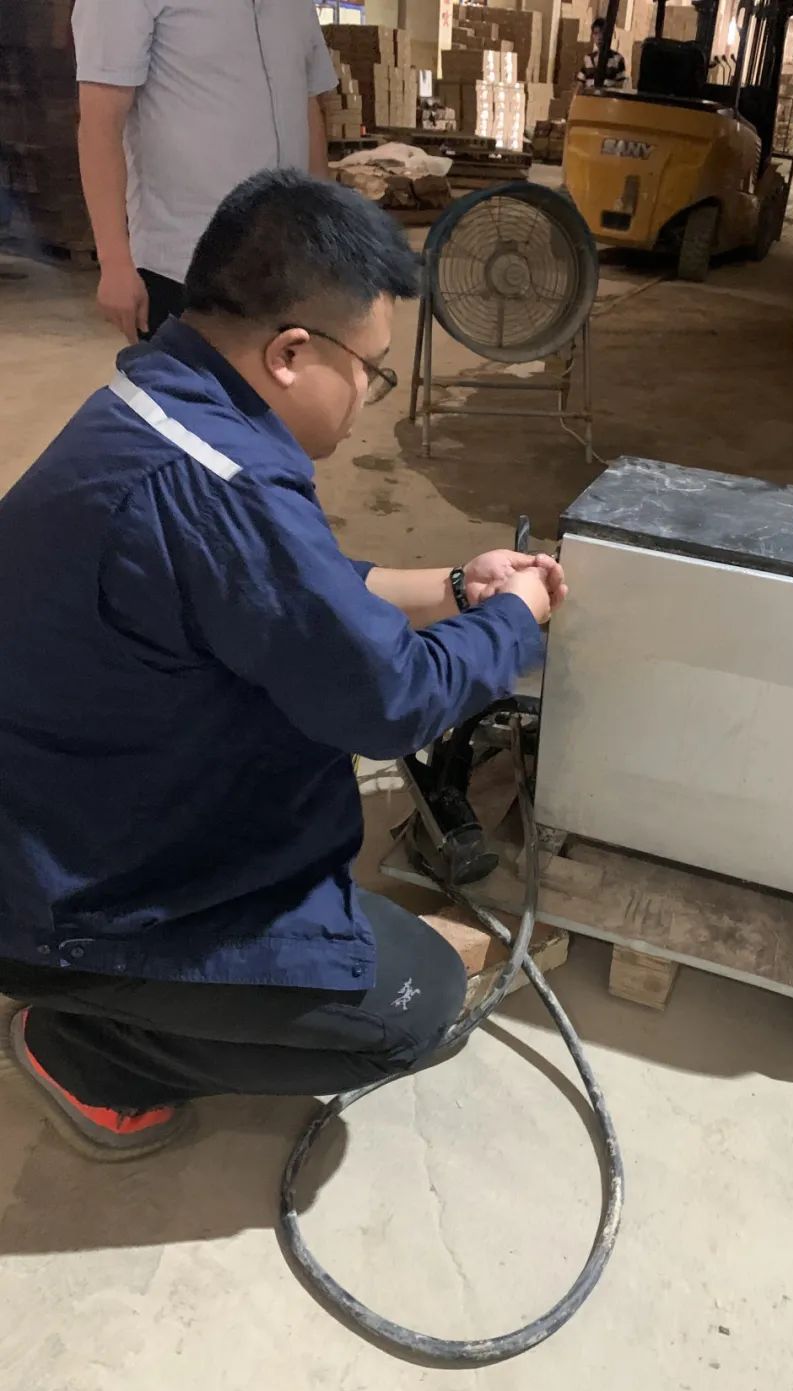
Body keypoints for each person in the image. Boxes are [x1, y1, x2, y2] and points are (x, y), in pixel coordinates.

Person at [0, 170, 567, 1161]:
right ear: (293, 353)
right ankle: (85, 1051)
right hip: (74, 895)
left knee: (353, 929)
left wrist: (455, 587)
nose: (369, 402)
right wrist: (515, 621)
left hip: (67, 820)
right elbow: (393, 701)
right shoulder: (223, 487)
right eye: (372, 374)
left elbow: (286, 590)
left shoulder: (163, 404)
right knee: (416, 1006)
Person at [72, 0, 339, 342]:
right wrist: (114, 263)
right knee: (188, 377)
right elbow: (100, 125)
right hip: (182, 266)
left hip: (287, 262)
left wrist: (324, 235)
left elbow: (308, 106)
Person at [576, 18, 628, 92]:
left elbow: (621, 84)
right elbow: (580, 83)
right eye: (596, 33)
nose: (599, 37)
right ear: (592, 36)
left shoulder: (617, 59)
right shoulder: (588, 58)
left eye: (603, 33)